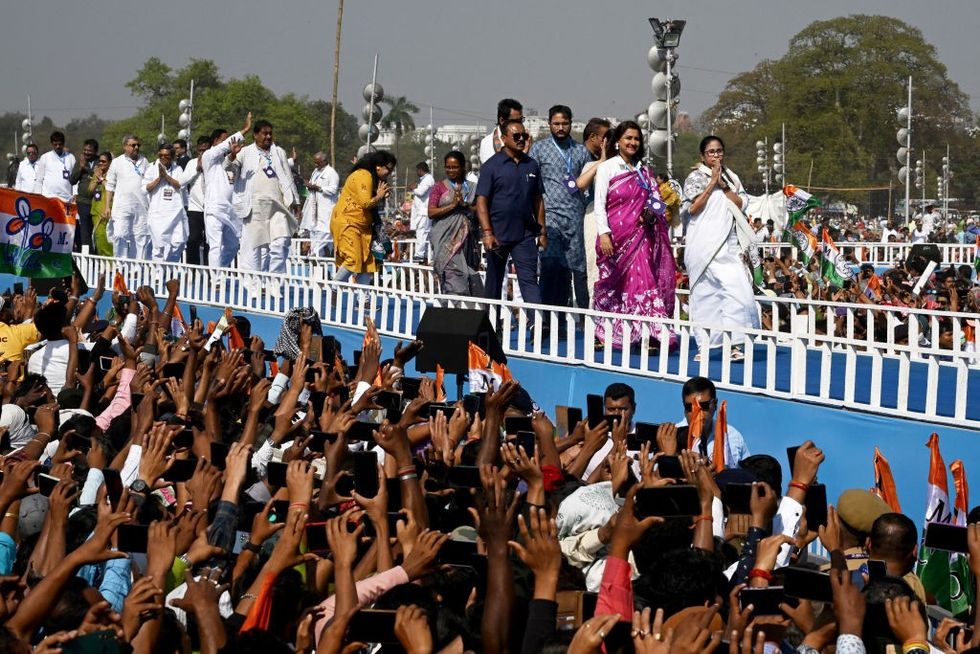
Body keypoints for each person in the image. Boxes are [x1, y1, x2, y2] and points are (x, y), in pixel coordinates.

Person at [590, 120, 675, 347]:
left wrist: (650, 211)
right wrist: (604, 234)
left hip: (640, 238)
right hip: (613, 238)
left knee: (643, 283)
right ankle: (603, 331)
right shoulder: (607, 168)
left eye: (636, 139)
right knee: (612, 285)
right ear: (618, 141)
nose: (632, 142)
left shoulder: (644, 172)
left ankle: (649, 334)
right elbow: (599, 205)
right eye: (628, 138)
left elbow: (656, 199)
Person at [683, 135, 760, 360]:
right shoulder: (695, 177)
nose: (715, 155)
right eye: (711, 152)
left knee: (737, 290)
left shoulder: (732, 177)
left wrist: (723, 185)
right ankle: (706, 345)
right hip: (702, 244)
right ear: (702, 156)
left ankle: (735, 344)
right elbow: (693, 209)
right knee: (705, 294)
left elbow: (742, 204)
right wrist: (711, 183)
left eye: (719, 151)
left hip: (729, 244)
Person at [476, 118, 545, 304]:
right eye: (516, 135)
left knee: (529, 278)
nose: (521, 139)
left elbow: (538, 200)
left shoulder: (532, 165)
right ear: (504, 138)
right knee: (495, 281)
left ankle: (538, 325)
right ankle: (491, 324)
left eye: (524, 135)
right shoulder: (491, 165)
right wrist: (488, 232)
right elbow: (481, 201)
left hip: (525, 234)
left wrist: (543, 230)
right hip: (498, 233)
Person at [529, 105, 591, 310]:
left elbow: (588, 183)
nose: (561, 127)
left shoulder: (581, 151)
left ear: (571, 124)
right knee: (551, 266)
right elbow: (532, 183)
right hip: (550, 216)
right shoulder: (538, 149)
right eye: (556, 124)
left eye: (565, 123)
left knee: (577, 270)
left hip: (575, 218)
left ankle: (583, 317)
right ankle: (549, 319)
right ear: (549, 124)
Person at [233, 119, 300, 275]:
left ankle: (275, 283)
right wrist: (231, 156)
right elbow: (228, 167)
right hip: (255, 207)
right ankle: (254, 286)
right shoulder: (245, 152)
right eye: (264, 133)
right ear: (256, 135)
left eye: (270, 133)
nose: (268, 137)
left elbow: (288, 177)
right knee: (255, 249)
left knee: (280, 243)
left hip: (278, 207)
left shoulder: (279, 152)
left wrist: (296, 201)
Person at [330, 150, 396, 284]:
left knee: (367, 263)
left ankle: (364, 302)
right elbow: (365, 203)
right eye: (388, 169)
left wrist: (380, 196)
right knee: (353, 259)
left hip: (364, 226)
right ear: (378, 166)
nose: (390, 173)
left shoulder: (371, 177)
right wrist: (379, 196)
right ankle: (334, 288)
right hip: (348, 223)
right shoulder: (363, 175)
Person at [427, 150, 484, 296]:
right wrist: (452, 206)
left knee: (469, 274)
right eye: (448, 167)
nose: (451, 170)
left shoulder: (472, 187)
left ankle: (469, 311)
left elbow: (479, 210)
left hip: (467, 240)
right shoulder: (439, 187)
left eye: (455, 167)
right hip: (445, 240)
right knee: (451, 276)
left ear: (463, 167)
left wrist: (465, 206)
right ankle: (452, 308)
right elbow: (431, 212)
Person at [202, 113, 252, 270]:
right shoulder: (208, 157)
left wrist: (233, 154)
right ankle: (215, 279)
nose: (227, 144)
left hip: (231, 211)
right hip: (214, 209)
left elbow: (229, 161)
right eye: (223, 140)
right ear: (215, 142)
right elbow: (223, 149)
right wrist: (245, 130)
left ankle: (219, 270)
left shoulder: (230, 161)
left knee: (232, 245)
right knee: (215, 245)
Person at [675, 376, 750, 469]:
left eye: (704, 406)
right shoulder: (672, 437)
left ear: (715, 405)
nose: (697, 413)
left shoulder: (733, 437)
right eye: (690, 407)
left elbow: (747, 476)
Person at [577, 119, 611, 294]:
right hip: (594, 219)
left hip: (619, 220)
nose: (609, 142)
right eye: (606, 137)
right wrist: (603, 160)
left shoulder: (627, 165)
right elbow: (580, 184)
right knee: (594, 266)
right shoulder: (592, 165)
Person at [103, 134, 150, 260]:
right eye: (133, 145)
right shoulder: (117, 162)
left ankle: (137, 268)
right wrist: (107, 206)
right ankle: (121, 266)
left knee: (140, 236)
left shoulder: (144, 161)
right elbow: (110, 185)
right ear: (125, 147)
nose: (136, 147)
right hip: (122, 206)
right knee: (120, 235)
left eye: (138, 145)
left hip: (141, 206)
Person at [142, 143, 188, 262]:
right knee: (158, 247)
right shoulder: (151, 168)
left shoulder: (177, 169)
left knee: (179, 243)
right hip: (158, 213)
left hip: (175, 213)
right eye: (161, 155)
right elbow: (144, 189)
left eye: (166, 155)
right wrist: (159, 179)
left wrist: (166, 177)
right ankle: (158, 275)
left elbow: (180, 185)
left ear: (172, 156)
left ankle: (168, 268)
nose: (163, 157)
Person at [300, 151, 339, 257]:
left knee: (326, 233)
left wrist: (318, 188)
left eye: (318, 163)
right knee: (314, 234)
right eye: (315, 163)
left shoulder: (332, 173)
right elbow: (313, 187)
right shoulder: (315, 172)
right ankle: (318, 268)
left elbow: (333, 190)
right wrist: (309, 185)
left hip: (325, 211)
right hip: (314, 211)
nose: (315, 165)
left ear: (325, 161)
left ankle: (313, 253)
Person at [182, 136, 211, 265]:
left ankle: (208, 272)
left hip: (211, 208)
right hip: (195, 207)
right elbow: (183, 182)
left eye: (205, 150)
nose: (202, 153)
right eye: (200, 150)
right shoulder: (192, 163)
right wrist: (197, 169)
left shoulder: (216, 162)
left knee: (209, 242)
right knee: (192, 240)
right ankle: (192, 270)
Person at [68, 139, 99, 252]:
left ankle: (97, 257)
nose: (86, 153)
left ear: (95, 151)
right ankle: (87, 259)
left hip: (97, 202)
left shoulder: (100, 161)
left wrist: (86, 168)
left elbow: (99, 175)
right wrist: (81, 169)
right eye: (85, 150)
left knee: (97, 232)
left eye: (89, 151)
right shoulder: (80, 162)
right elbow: (72, 180)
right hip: (83, 202)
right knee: (85, 232)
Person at [479, 98, 530, 163]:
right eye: (515, 121)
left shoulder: (525, 140)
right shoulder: (487, 143)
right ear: (502, 120)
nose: (519, 124)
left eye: (521, 120)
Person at [33, 131, 76, 203]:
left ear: (64, 143)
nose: (58, 146)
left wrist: (75, 194)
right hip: (48, 198)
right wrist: (37, 197)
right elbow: (39, 180)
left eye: (60, 144)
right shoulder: (45, 157)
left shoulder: (71, 158)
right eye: (55, 144)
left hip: (66, 199)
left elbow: (75, 180)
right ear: (51, 144)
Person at [409, 162, 435, 263]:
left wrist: (413, 188)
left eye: (417, 170)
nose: (416, 172)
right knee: (423, 233)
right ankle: (425, 254)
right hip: (421, 211)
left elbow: (420, 192)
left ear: (420, 170)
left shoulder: (428, 179)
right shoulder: (424, 179)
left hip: (424, 211)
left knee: (422, 232)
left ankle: (419, 254)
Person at [89, 151, 114, 256]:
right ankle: (103, 266)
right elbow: (90, 190)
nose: (101, 164)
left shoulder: (112, 175)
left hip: (108, 211)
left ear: (109, 163)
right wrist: (96, 177)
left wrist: (102, 179)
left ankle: (112, 265)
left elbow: (112, 188)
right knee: (99, 240)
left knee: (108, 240)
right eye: (100, 161)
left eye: (104, 161)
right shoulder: (98, 174)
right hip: (96, 211)